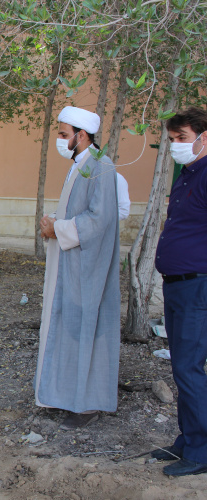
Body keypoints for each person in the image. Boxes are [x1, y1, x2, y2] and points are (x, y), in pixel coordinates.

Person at [35, 106, 120, 430]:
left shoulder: (101, 167)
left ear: (81, 136)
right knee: (67, 330)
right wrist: (55, 223)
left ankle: (87, 405)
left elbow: (99, 221)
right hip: (70, 266)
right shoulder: (82, 165)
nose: (60, 139)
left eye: (63, 134)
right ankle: (64, 396)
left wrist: (57, 229)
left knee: (86, 332)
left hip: (88, 271)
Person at [151, 107, 207, 477]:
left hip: (196, 285)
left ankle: (201, 451)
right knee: (180, 366)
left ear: (204, 138)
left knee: (189, 368)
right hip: (176, 285)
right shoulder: (187, 174)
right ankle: (187, 440)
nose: (176, 146)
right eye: (172, 140)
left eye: (182, 138)